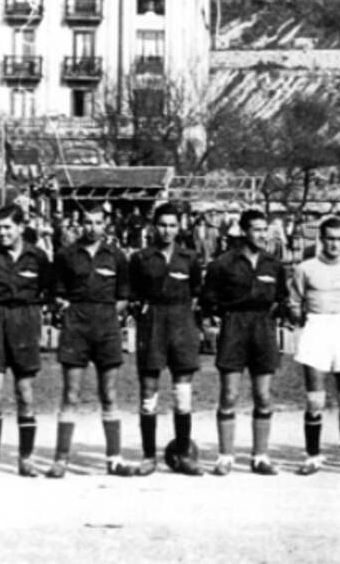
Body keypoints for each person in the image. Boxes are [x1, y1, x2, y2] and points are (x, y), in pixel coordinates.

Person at [46, 204, 135, 478]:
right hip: (77, 327)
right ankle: (61, 459)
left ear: (106, 225)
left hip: (106, 326)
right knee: (70, 394)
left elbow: (123, 297)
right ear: (79, 224)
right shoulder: (66, 255)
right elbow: (56, 293)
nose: (92, 227)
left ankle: (114, 458)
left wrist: (107, 315)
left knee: (108, 394)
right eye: (87, 222)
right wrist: (67, 309)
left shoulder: (117, 256)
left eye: (98, 222)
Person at [202, 209, 287, 476]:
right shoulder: (223, 264)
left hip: (263, 327)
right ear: (244, 231)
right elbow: (207, 300)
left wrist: (281, 314)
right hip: (234, 326)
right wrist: (216, 321)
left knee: (263, 395)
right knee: (229, 394)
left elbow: (281, 299)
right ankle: (225, 456)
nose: (262, 235)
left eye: (265, 229)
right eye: (257, 229)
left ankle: (260, 456)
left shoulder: (274, 264)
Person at [0, 204, 51, 477]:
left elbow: (49, 289)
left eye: (7, 228)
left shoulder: (37, 256)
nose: (1, 233)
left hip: (25, 320)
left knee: (25, 393)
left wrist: (39, 309)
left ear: (21, 226)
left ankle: (25, 458)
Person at [288, 216, 340, 476]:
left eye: (339, 239)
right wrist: (303, 319)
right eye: (329, 239)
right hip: (317, 327)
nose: (334, 244)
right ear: (320, 240)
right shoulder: (305, 268)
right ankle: (313, 457)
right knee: (315, 399)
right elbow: (294, 302)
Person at [129, 203, 204, 477]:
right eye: (162, 225)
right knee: (149, 392)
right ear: (153, 226)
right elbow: (132, 292)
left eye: (172, 225)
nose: (167, 230)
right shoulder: (140, 258)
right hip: (153, 324)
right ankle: (149, 457)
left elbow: (196, 292)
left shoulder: (190, 257)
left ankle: (183, 453)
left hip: (181, 323)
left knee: (182, 393)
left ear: (179, 227)